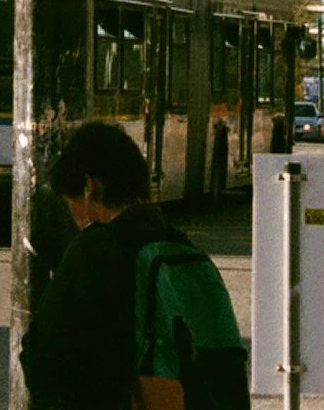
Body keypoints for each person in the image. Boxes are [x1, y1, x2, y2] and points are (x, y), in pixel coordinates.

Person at [20, 121, 238, 410]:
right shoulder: (186, 252)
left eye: (70, 203)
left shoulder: (92, 253)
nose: (73, 217)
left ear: (89, 186)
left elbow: (41, 362)